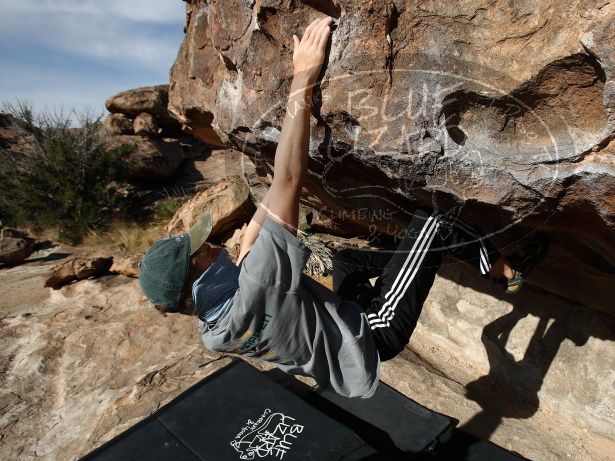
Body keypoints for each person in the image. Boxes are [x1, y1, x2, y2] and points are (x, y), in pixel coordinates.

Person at [139, 16, 544, 398]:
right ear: (196, 274)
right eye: (200, 249)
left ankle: (412, 257)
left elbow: (253, 259)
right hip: (372, 331)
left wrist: (262, 212)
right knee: (434, 220)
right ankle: (506, 271)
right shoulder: (258, 282)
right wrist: (304, 76)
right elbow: (288, 181)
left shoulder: (216, 332)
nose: (209, 244)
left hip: (336, 324)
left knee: (345, 261)